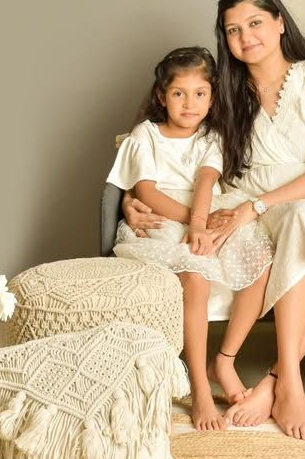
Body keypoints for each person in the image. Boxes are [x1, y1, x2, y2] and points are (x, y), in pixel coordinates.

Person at [124, 0, 305, 442]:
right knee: (304, 226)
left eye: (255, 23)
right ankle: (288, 383)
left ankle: (278, 381)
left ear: (279, 23)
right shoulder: (225, 88)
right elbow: (166, 139)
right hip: (253, 197)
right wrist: (127, 197)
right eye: (233, 30)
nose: (246, 37)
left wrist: (252, 210)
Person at [107, 46, 273, 431]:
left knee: (259, 261)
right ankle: (199, 386)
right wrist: (193, 223)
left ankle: (225, 360)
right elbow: (146, 191)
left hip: (203, 207)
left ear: (212, 98)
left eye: (200, 94)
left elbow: (205, 181)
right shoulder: (146, 135)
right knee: (195, 279)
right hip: (163, 216)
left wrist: (201, 222)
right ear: (162, 96)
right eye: (179, 94)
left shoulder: (211, 136)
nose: (189, 104)